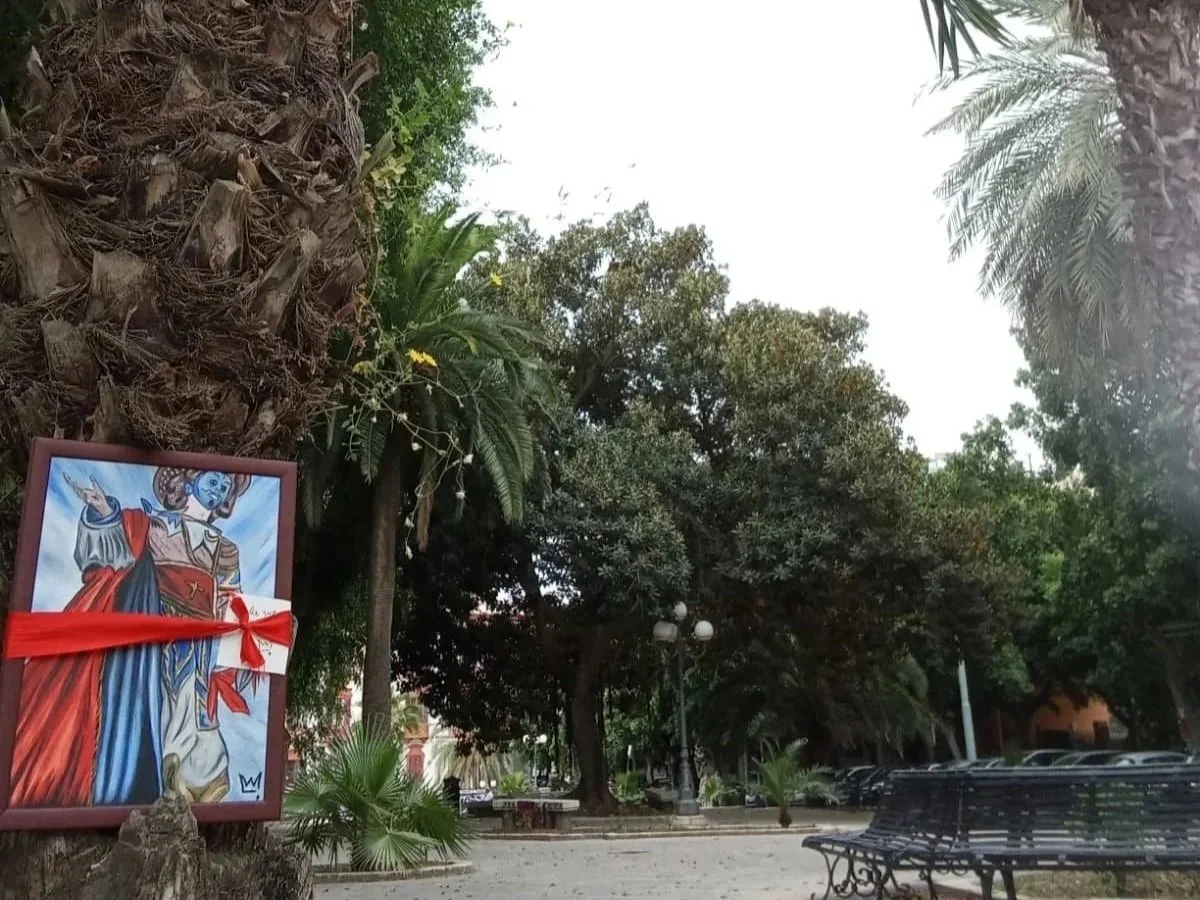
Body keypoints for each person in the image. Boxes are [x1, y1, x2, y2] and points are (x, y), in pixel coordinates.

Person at [9, 466, 253, 808]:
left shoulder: (226, 549)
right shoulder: (153, 524)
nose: (218, 489)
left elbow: (233, 602)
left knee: (198, 724)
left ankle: (185, 798)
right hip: (152, 641)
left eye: (225, 485)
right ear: (190, 481)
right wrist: (104, 511)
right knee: (156, 713)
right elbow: (118, 553)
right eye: (213, 480)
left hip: (201, 649)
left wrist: (240, 648)